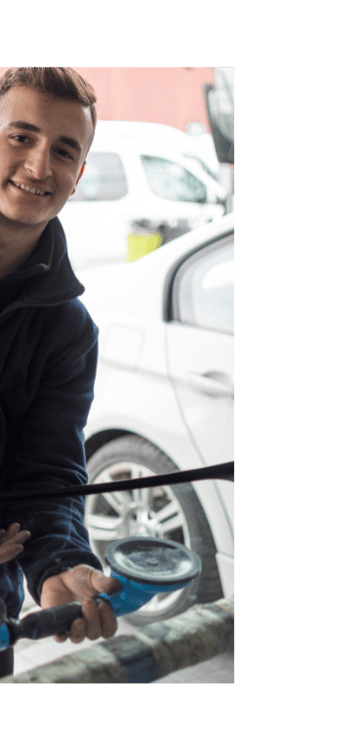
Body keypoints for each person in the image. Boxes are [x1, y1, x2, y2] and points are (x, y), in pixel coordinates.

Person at [0, 66, 119, 677]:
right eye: (20, 136)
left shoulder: (68, 330)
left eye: (64, 150)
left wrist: (58, 565)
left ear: (78, 176)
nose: (39, 166)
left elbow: (46, 473)